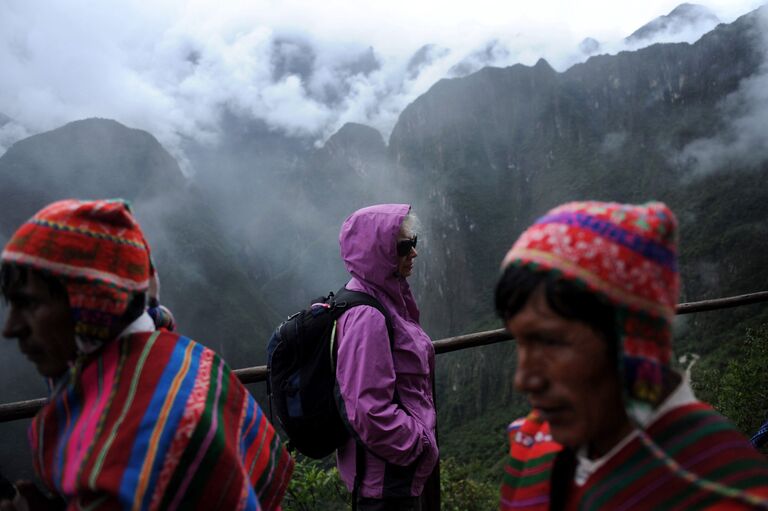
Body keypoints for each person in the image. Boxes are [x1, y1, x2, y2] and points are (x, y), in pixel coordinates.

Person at [0, 199, 293, 510]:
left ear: (90, 303)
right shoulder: (192, 358)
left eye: (29, 304)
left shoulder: (135, 454)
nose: (11, 328)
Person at [496, 200, 768, 510]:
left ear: (633, 339)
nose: (523, 379)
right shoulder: (533, 441)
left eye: (552, 342)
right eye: (520, 342)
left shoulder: (724, 491)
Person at [335, 204, 438, 511]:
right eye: (405, 246)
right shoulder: (368, 315)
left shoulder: (388, 299)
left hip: (394, 471)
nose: (414, 253)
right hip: (387, 479)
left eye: (413, 242)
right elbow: (368, 410)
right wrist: (418, 445)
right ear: (377, 250)